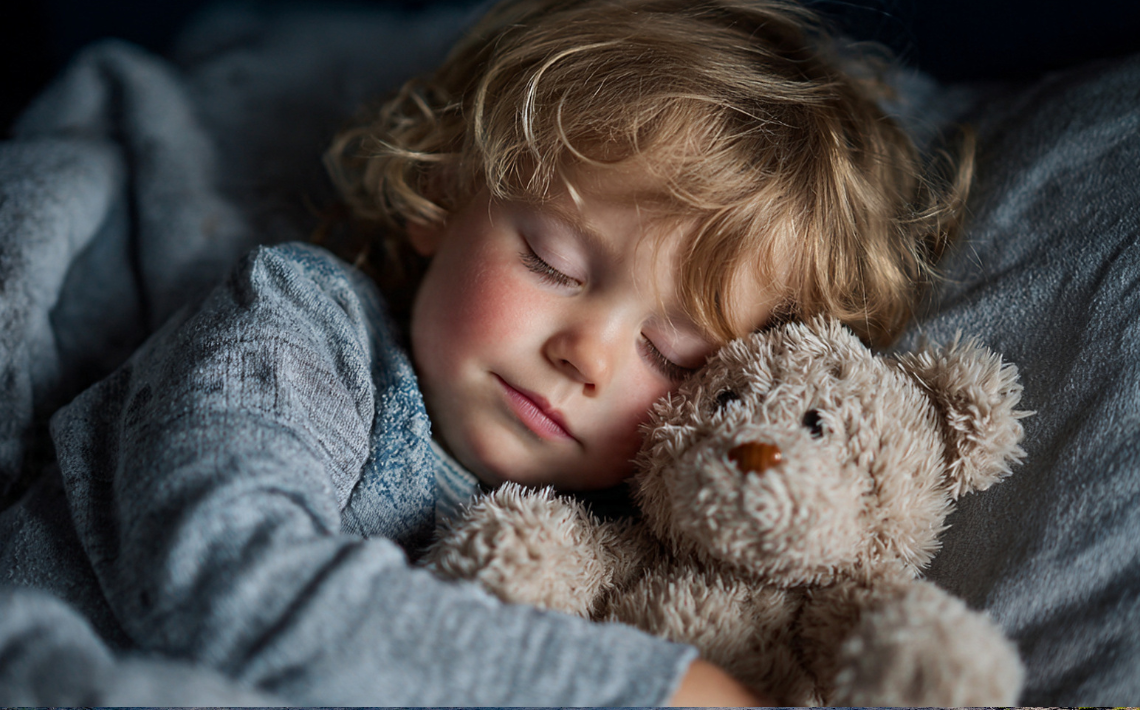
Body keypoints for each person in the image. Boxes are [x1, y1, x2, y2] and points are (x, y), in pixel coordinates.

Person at [36, 0, 971, 704]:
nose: (587, 355)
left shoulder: (616, 549)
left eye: (675, 355)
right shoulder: (291, 327)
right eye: (553, 261)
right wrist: (644, 688)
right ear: (442, 188)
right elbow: (223, 583)